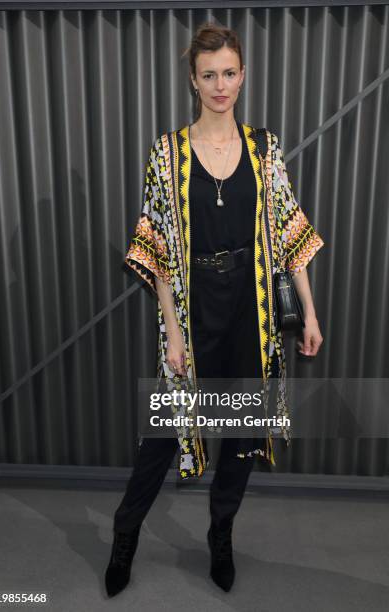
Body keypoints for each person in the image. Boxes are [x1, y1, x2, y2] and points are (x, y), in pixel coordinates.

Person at [105, 22, 324, 597]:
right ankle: (124, 534)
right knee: (163, 434)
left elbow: (288, 228)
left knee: (244, 432)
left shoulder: (265, 147)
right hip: (193, 308)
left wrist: (310, 312)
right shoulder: (168, 152)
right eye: (209, 75)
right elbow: (155, 250)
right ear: (193, 81)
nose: (220, 85)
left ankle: (220, 534)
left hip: (251, 312)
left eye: (229, 73)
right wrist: (173, 334)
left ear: (242, 75)